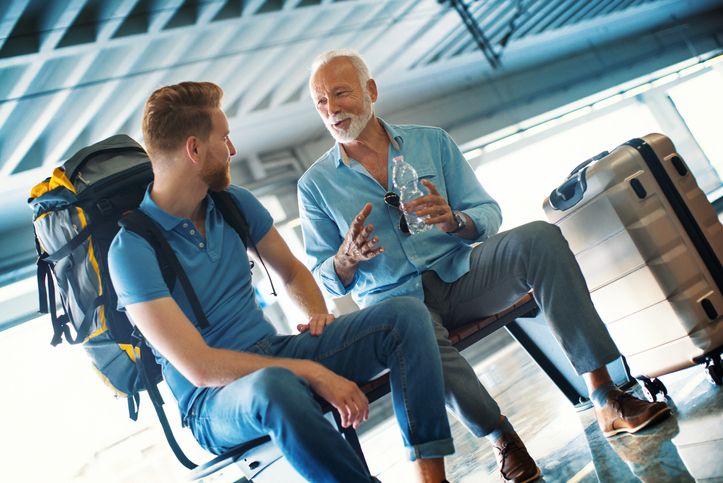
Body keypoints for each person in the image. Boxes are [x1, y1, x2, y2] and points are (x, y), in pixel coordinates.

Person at [297, 49, 673, 483]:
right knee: (411, 324)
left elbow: (487, 213)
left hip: (460, 274)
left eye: (340, 94)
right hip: (397, 304)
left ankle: (606, 395)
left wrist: (456, 220)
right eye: (320, 102)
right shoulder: (314, 186)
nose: (331, 109)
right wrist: (345, 259)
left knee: (538, 238)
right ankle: (503, 438)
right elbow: (326, 279)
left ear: (370, 91)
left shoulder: (430, 142)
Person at [108, 81, 457, 483]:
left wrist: (316, 315)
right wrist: (312, 373)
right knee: (276, 384)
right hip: (212, 401)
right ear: (194, 149)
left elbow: (290, 271)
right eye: (224, 138)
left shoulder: (233, 203)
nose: (232, 149)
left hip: (273, 353)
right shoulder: (131, 249)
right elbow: (200, 368)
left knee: (406, 316)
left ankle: (432, 478)